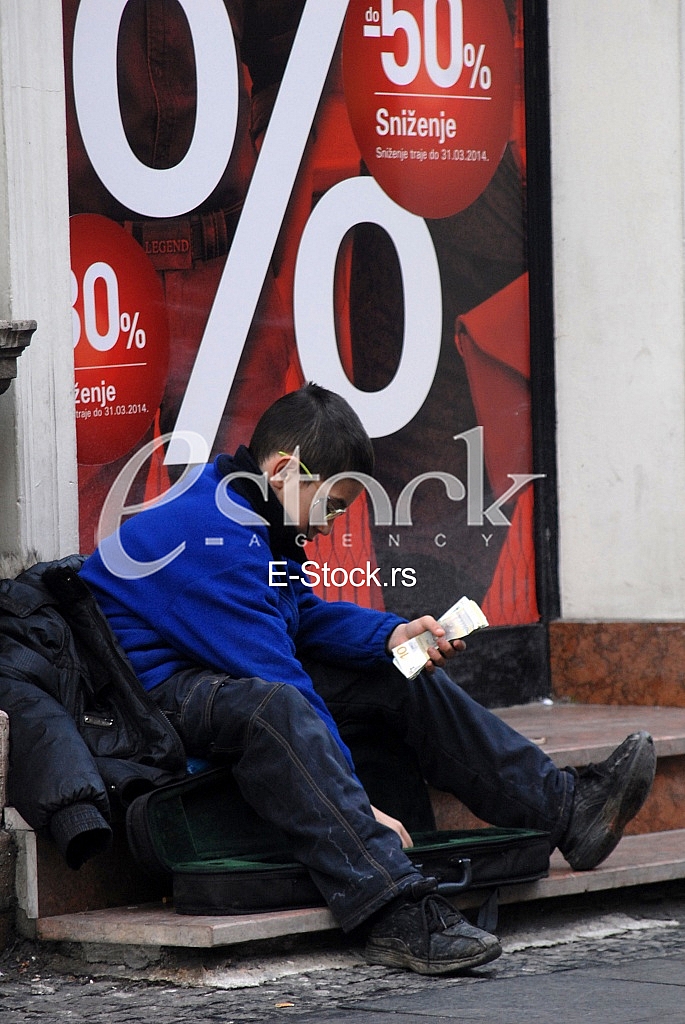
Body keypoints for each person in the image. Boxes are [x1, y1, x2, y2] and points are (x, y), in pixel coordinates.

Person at [80, 383, 656, 976]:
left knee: (398, 672)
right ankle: (394, 912)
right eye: (331, 505)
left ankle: (566, 809)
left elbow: (297, 614)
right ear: (284, 471)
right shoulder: (213, 539)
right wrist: (361, 809)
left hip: (208, 678)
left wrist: (390, 637)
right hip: (147, 707)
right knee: (275, 707)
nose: (330, 527)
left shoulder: (251, 513)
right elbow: (283, 682)